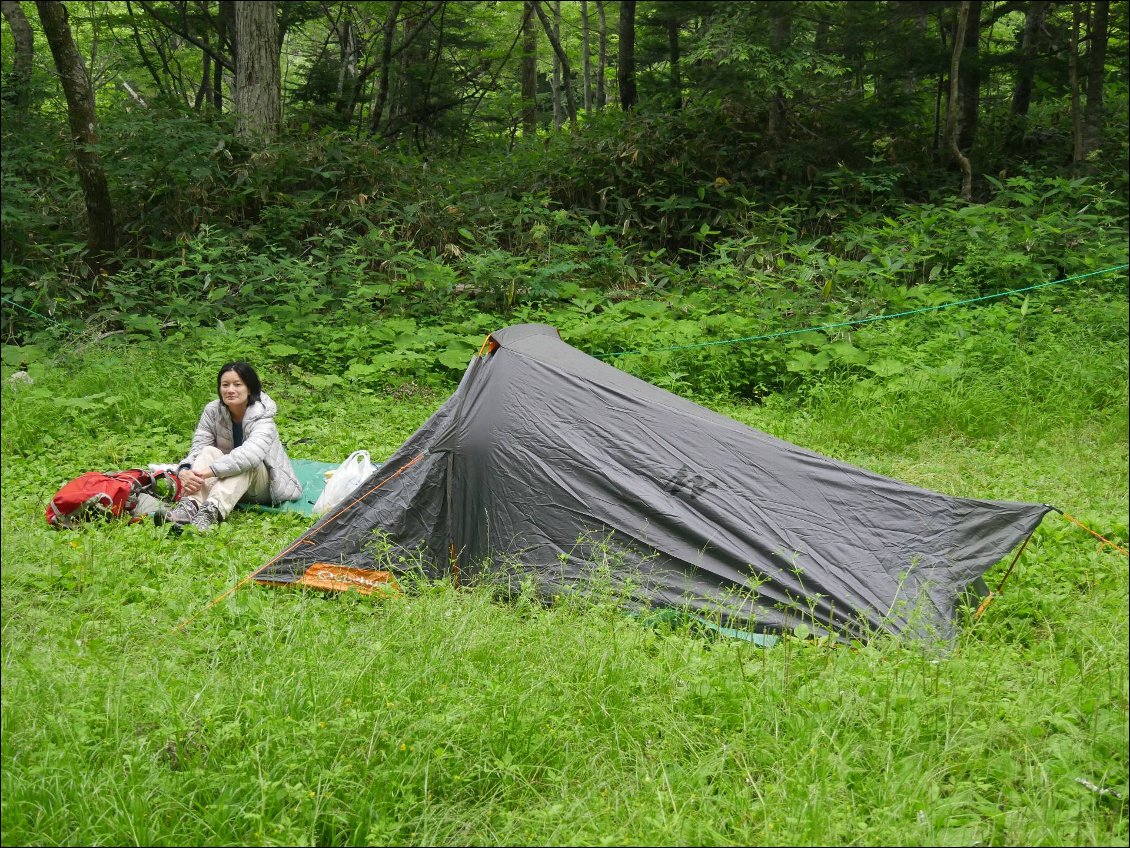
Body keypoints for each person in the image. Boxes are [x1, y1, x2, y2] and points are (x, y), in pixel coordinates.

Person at [158, 361, 302, 532]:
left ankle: (209, 514)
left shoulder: (263, 416)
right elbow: (198, 447)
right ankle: (188, 508)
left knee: (247, 461)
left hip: (264, 486)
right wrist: (185, 471)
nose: (230, 390)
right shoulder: (212, 411)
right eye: (225, 385)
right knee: (208, 451)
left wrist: (206, 473)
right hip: (225, 480)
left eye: (237, 384)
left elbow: (250, 455)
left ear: (250, 388)